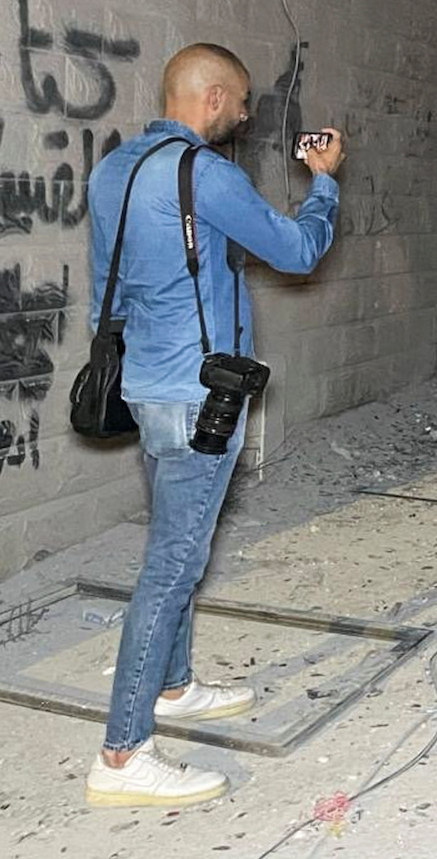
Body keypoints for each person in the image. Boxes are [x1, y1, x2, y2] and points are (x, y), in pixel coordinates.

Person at [83, 44, 343, 808]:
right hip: (200, 397)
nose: (246, 115)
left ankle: (174, 687)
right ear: (212, 96)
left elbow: (111, 288)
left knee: (178, 548)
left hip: (147, 385)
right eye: (240, 103)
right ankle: (123, 757)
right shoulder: (205, 173)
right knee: (170, 568)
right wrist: (322, 184)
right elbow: (296, 251)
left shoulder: (113, 170)